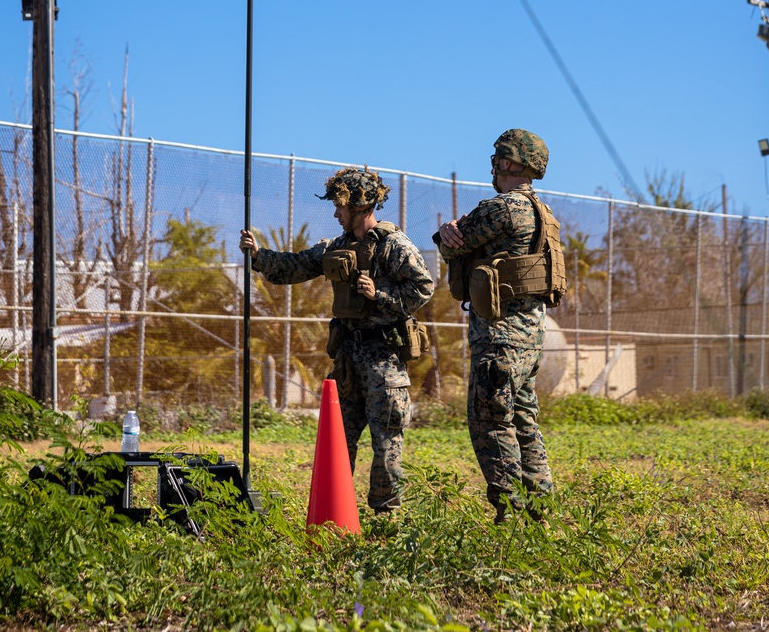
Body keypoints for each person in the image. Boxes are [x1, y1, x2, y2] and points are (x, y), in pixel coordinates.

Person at [240, 165, 434, 514]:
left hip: (384, 359)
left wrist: (381, 295)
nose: (335, 212)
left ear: (360, 206)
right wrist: (258, 256)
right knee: (338, 443)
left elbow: (424, 287)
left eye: (340, 206)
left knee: (386, 443)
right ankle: (336, 515)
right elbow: (296, 266)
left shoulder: (394, 245)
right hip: (347, 359)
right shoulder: (338, 246)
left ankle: (384, 519)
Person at [436, 129, 565, 521]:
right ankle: (541, 511)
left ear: (509, 163)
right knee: (524, 421)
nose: (492, 166)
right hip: (530, 338)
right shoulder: (546, 215)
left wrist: (445, 234)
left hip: (499, 338)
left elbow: (451, 244)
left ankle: (510, 513)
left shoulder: (501, 208)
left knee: (490, 422)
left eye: (497, 158)